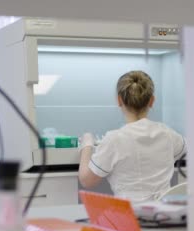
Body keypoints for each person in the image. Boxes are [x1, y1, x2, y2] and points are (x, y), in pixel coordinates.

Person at [78, 70, 186, 202]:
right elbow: (186, 149)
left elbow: (87, 181)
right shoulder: (167, 134)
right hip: (163, 215)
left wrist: (87, 144)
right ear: (152, 101)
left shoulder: (114, 139)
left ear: (119, 100)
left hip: (130, 216)